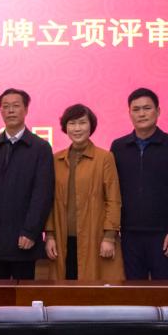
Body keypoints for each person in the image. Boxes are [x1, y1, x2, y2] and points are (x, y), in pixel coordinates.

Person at [0, 88, 55, 280]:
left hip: (23, 239)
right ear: (0, 110)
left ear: (26, 110)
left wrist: (31, 231)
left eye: (16, 106)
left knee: (23, 294)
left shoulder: (40, 147)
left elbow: (42, 194)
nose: (10, 111)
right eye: (5, 106)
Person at [110, 88, 168, 280]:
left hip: (164, 235)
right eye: (136, 109)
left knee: (164, 291)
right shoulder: (118, 147)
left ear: (158, 111)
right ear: (129, 113)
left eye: (147, 108)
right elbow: (112, 191)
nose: (142, 114)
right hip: (129, 234)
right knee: (134, 291)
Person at [44, 103, 122, 281]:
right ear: (65, 127)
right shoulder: (56, 159)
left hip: (94, 237)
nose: (77, 128)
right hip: (62, 239)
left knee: (92, 290)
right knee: (64, 288)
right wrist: (49, 235)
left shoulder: (104, 158)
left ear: (91, 126)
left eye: (82, 123)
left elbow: (113, 199)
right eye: (72, 123)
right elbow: (49, 201)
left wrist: (109, 236)